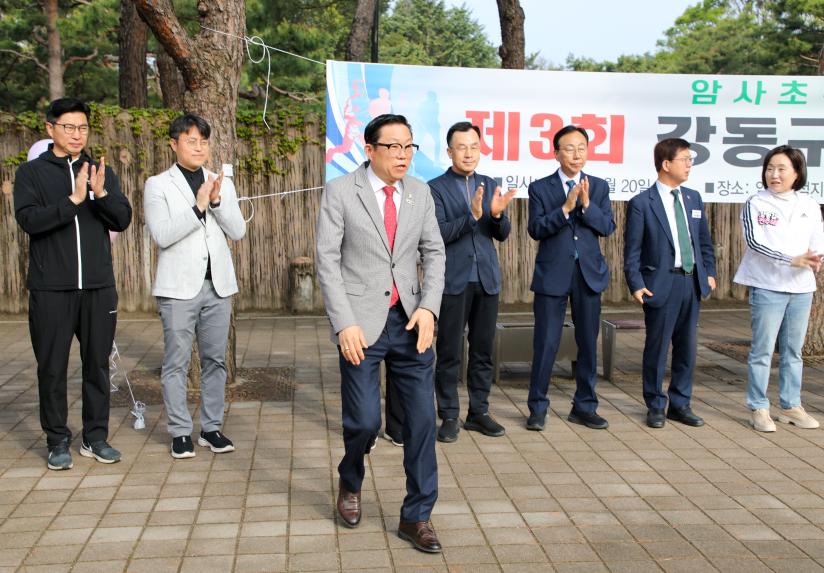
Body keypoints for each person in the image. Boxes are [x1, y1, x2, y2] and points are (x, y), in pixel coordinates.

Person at [315, 114, 445, 553]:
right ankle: (350, 479)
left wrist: (429, 307)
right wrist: (344, 322)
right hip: (360, 324)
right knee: (365, 421)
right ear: (370, 150)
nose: (402, 155)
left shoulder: (420, 193)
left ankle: (417, 516)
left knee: (422, 422)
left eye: (409, 146)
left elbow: (435, 254)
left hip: (410, 322)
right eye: (393, 147)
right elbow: (327, 261)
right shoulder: (340, 191)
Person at [14, 97, 132, 470]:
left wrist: (100, 194)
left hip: (98, 287)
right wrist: (74, 200)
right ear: (50, 129)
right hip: (51, 289)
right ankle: (57, 440)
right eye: (68, 127)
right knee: (51, 368)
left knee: (97, 365)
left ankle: (95, 438)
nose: (77, 134)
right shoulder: (31, 173)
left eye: (82, 127)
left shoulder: (100, 171)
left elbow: (123, 218)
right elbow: (29, 220)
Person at [143, 113, 246, 459]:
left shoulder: (221, 182)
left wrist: (215, 202)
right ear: (174, 144)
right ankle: (179, 432)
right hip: (177, 289)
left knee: (215, 360)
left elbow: (238, 231)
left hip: (217, 286)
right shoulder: (158, 184)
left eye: (203, 141)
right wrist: (199, 206)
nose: (199, 147)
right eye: (191, 141)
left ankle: (211, 428)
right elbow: (162, 234)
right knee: (176, 362)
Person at [428, 121, 516, 442]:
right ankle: (449, 415)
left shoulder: (489, 183)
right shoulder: (435, 188)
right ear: (449, 151)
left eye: (474, 147)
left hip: (487, 279)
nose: (469, 153)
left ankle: (478, 412)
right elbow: (439, 233)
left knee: (482, 351)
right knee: (449, 351)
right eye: (462, 147)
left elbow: (501, 234)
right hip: (453, 281)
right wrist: (473, 217)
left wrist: (496, 216)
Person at [526, 125, 616, 431]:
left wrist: (587, 205)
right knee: (546, 343)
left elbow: (607, 227)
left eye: (581, 148)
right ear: (556, 153)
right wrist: (565, 208)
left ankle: (585, 406)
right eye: (569, 148)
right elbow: (536, 229)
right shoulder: (540, 188)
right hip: (552, 275)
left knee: (588, 343)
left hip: (588, 275)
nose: (576, 154)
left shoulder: (599, 186)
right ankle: (538, 407)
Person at [624, 138, 717, 429]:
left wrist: (709, 271)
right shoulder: (642, 203)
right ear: (666, 164)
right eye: (685, 159)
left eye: (691, 160)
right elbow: (632, 250)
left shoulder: (693, 198)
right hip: (660, 284)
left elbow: (703, 242)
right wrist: (635, 283)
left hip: (692, 282)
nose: (690, 165)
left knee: (687, 348)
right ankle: (655, 404)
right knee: (657, 348)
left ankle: (680, 404)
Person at [733, 145, 823, 432]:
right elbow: (755, 243)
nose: (774, 174)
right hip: (767, 285)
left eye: (782, 169)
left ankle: (791, 405)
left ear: (797, 173)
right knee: (762, 350)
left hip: (801, 288)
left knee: (793, 351)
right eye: (770, 168)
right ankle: (758, 407)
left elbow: (818, 241)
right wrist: (790, 259)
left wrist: (815, 259)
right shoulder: (756, 203)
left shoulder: (809, 204)